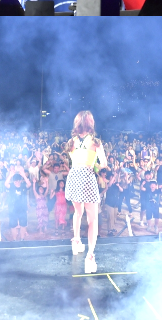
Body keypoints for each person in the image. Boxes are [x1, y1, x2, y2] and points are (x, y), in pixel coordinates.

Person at [64, 111, 107, 273]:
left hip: (74, 176)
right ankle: (90, 257)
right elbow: (104, 163)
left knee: (77, 212)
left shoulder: (71, 142)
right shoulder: (95, 142)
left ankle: (76, 242)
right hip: (87, 177)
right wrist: (95, 166)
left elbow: (74, 160)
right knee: (92, 220)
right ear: (91, 123)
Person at [5, 167, 30, 241]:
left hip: (22, 209)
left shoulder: (23, 185)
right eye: (15, 181)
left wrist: (24, 175)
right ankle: (15, 240)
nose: (17, 182)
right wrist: (10, 175)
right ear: (13, 181)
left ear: (21, 180)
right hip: (13, 209)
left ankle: (22, 239)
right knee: (13, 225)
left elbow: (29, 184)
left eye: (18, 180)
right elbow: (6, 184)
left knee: (23, 224)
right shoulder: (11, 186)